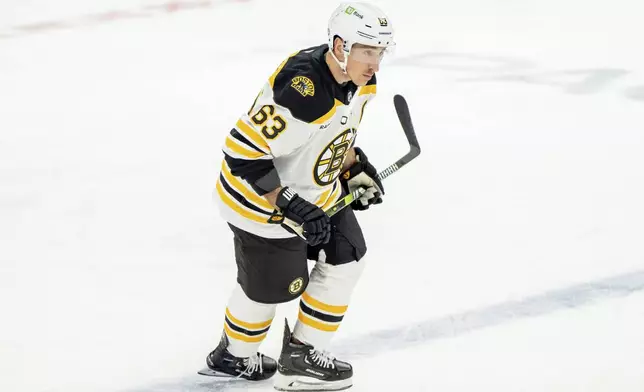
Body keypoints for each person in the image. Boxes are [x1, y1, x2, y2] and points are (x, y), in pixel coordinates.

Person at [204, 2, 395, 390]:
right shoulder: (303, 92)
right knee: (273, 288)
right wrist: (289, 203)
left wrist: (352, 167)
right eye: (367, 51)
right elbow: (243, 153)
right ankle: (234, 356)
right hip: (259, 204)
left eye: (380, 52)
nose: (374, 63)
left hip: (314, 194)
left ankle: (302, 356)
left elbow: (335, 135)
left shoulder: (360, 80)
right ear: (341, 46)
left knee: (347, 254)